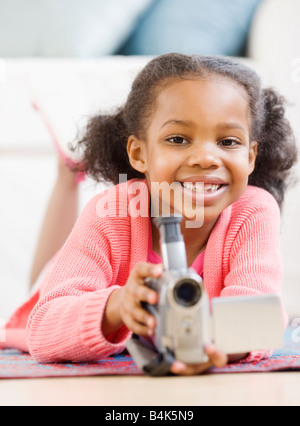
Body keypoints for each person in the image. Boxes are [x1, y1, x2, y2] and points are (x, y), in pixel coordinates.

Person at [2, 54, 297, 376]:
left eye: (228, 141)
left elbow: (261, 312)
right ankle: (70, 168)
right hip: (75, 289)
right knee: (46, 277)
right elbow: (44, 327)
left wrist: (212, 345)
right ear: (139, 154)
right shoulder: (111, 210)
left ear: (251, 156)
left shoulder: (253, 210)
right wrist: (117, 306)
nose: (206, 158)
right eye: (178, 139)